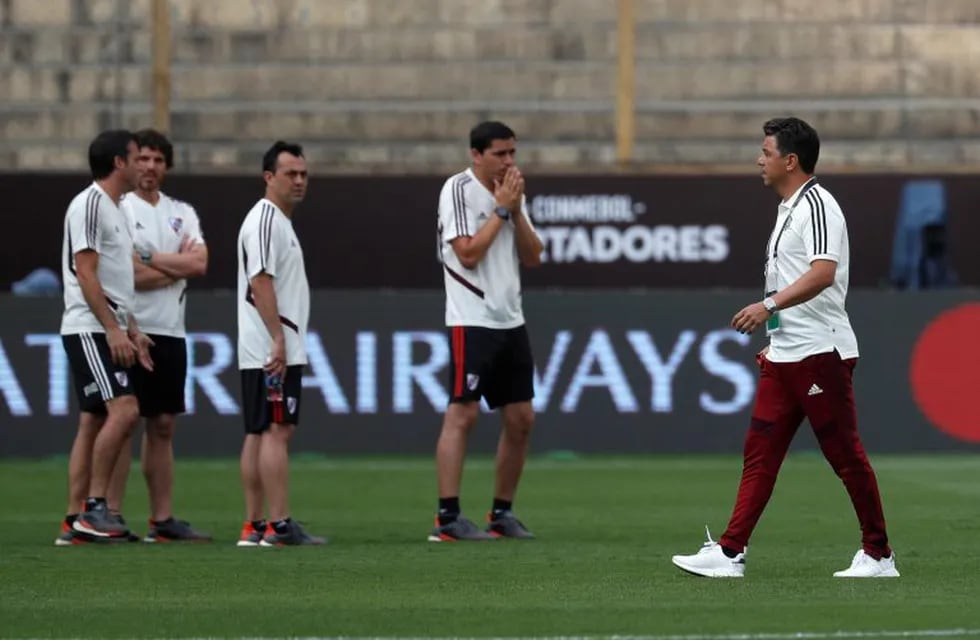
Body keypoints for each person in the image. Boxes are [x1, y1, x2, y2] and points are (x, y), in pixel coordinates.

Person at [670, 117, 899, 578]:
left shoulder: (819, 205)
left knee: (844, 454)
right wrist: (774, 320)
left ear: (790, 160)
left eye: (766, 151)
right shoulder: (789, 207)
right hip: (784, 352)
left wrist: (766, 305)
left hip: (819, 351)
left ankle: (878, 554)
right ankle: (731, 551)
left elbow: (823, 272)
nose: (759, 159)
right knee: (760, 452)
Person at [428, 121, 544, 542]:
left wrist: (513, 210)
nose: (509, 161)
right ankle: (447, 517)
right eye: (500, 153)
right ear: (476, 154)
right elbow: (469, 253)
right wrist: (499, 209)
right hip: (471, 317)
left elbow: (532, 257)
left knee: (521, 418)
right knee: (464, 412)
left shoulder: (512, 193)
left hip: (510, 317)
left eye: (513, 153)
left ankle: (501, 512)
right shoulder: (457, 190)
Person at [103, 128, 211, 543]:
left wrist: (149, 259)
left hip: (170, 328)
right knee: (123, 420)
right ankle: (109, 512)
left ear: (167, 166)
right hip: (129, 327)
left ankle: (161, 519)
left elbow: (199, 264)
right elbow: (125, 274)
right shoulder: (119, 209)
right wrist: (173, 265)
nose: (150, 167)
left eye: (158, 160)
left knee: (163, 424)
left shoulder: (181, 211)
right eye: (143, 159)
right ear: (131, 164)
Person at [56, 129, 153, 545]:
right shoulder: (90, 204)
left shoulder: (115, 208)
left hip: (106, 324)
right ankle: (95, 509)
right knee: (126, 410)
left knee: (97, 419)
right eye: (136, 158)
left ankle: (75, 520)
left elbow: (115, 278)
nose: (141, 166)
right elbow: (86, 271)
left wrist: (131, 327)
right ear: (119, 163)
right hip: (88, 326)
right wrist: (112, 329)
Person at [235, 140, 325, 547]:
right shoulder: (267, 220)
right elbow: (260, 281)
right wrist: (277, 338)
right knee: (277, 430)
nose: (300, 181)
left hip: (265, 344)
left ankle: (254, 525)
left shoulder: (276, 221)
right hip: (271, 345)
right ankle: (279, 524)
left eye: (304, 173)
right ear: (269, 177)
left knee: (259, 432)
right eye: (291, 173)